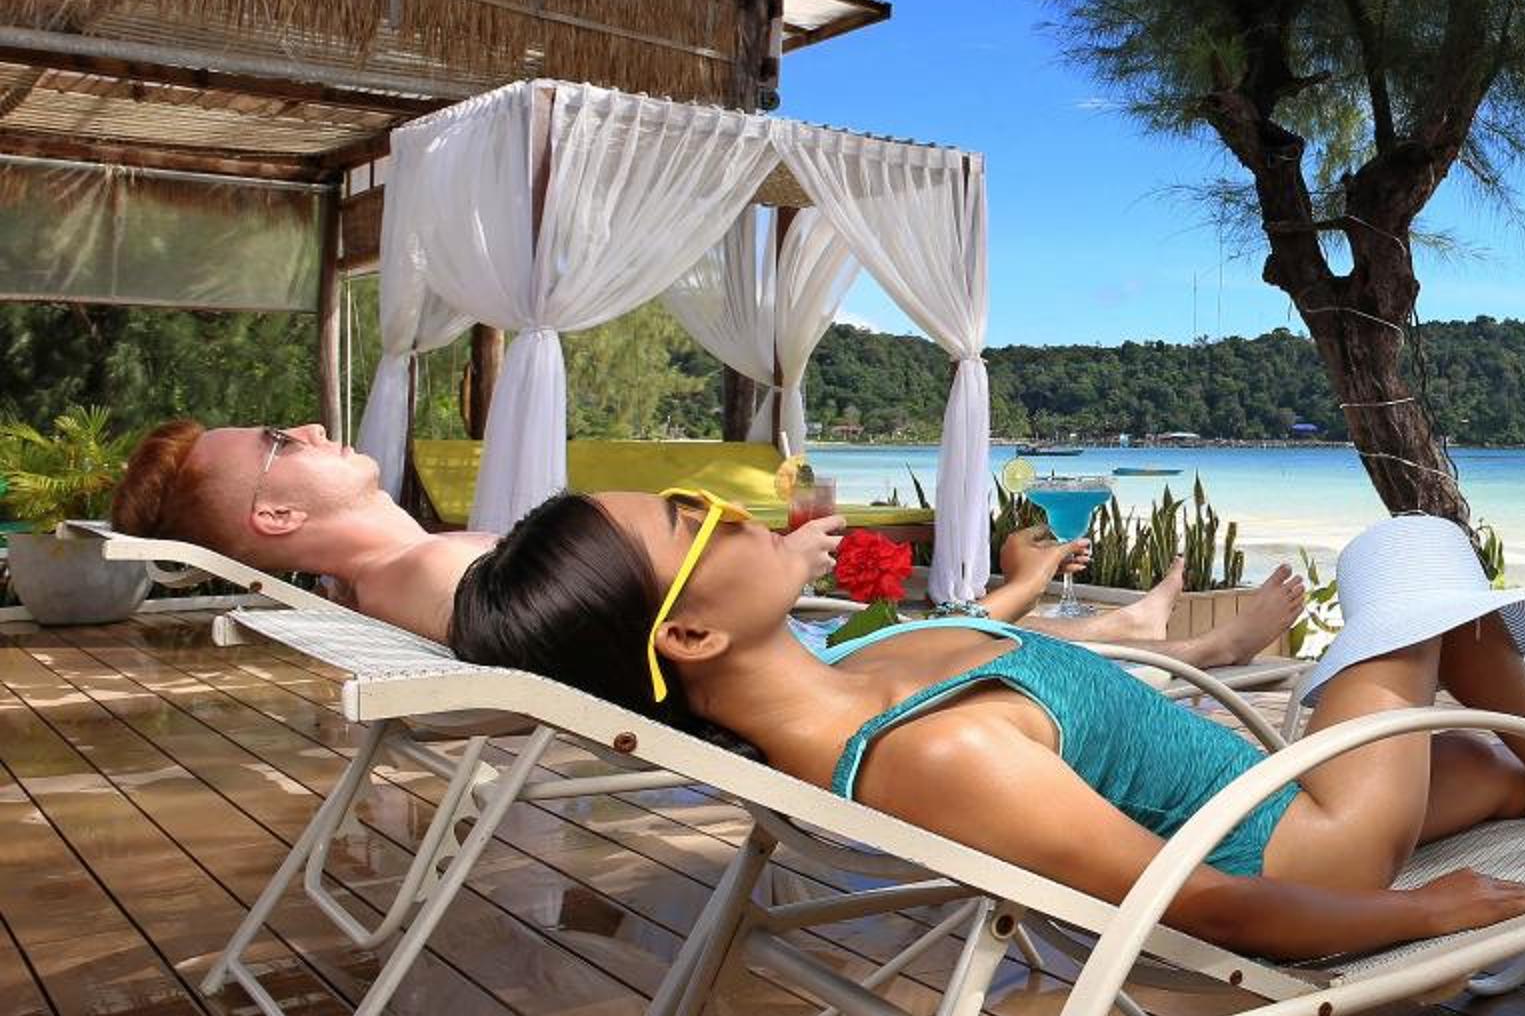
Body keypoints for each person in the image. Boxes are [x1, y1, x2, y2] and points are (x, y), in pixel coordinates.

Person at [450, 499, 1525, 958]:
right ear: (688, 635)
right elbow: (1201, 908)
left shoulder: (854, 667)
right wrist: (1419, 914)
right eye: (690, 521)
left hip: (1266, 781)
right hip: (1304, 845)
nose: (728, 510)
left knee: (1476, 756)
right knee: (1414, 555)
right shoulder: (932, 749)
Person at [106, 421, 1298, 666]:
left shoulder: (406, 568)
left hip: (741, 648)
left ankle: (1125, 625)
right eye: (281, 441)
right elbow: (630, 628)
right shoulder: (426, 571)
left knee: (907, 619)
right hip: (759, 675)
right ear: (275, 516)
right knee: (905, 641)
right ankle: (1168, 645)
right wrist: (782, 568)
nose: (312, 426)